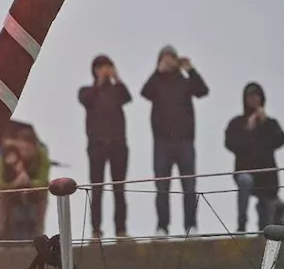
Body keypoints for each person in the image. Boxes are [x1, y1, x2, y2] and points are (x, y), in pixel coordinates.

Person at [141, 45, 208, 236]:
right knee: (162, 187)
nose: (169, 61)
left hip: (185, 142)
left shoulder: (185, 81)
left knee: (189, 186)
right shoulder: (157, 83)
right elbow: (144, 93)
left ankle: (191, 225)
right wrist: (157, 71)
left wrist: (191, 70)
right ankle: (162, 226)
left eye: (172, 58)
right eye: (165, 58)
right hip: (161, 143)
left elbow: (203, 91)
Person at [78, 55, 132, 239]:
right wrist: (99, 82)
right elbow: (86, 100)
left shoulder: (117, 91)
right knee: (97, 189)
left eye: (108, 66)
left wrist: (117, 78)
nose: (104, 70)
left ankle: (121, 230)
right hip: (97, 146)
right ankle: (96, 230)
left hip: (118, 146)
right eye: (100, 67)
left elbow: (127, 97)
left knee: (119, 189)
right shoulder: (87, 91)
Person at [224, 82, 284, 233]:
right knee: (245, 180)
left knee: (266, 223)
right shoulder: (237, 123)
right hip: (244, 171)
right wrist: (248, 128)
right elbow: (230, 144)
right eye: (250, 96)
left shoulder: (270, 122)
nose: (254, 100)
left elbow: (280, 140)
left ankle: (263, 234)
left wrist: (265, 122)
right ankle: (242, 224)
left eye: (256, 96)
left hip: (267, 176)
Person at [0, 122, 51, 245]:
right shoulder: (6, 157)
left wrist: (30, 183)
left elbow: (43, 179)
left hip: (34, 191)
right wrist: (15, 183)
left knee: (45, 194)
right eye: (21, 149)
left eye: (28, 149)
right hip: (10, 191)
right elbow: (1, 182)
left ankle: (38, 233)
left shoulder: (41, 156)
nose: (24, 152)